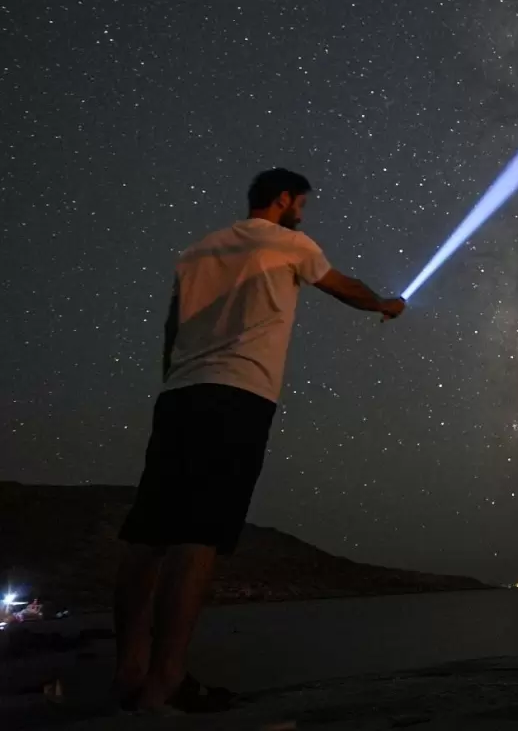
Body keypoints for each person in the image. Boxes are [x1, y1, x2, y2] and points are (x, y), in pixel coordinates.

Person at [113, 168, 406, 713]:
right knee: (199, 534)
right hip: (238, 394)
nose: (304, 212)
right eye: (302, 203)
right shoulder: (289, 243)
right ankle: (165, 683)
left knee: (147, 533)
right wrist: (387, 304)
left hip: (180, 395)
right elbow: (346, 288)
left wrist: (174, 382)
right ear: (283, 199)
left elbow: (171, 331)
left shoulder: (197, 251)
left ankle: (129, 671)